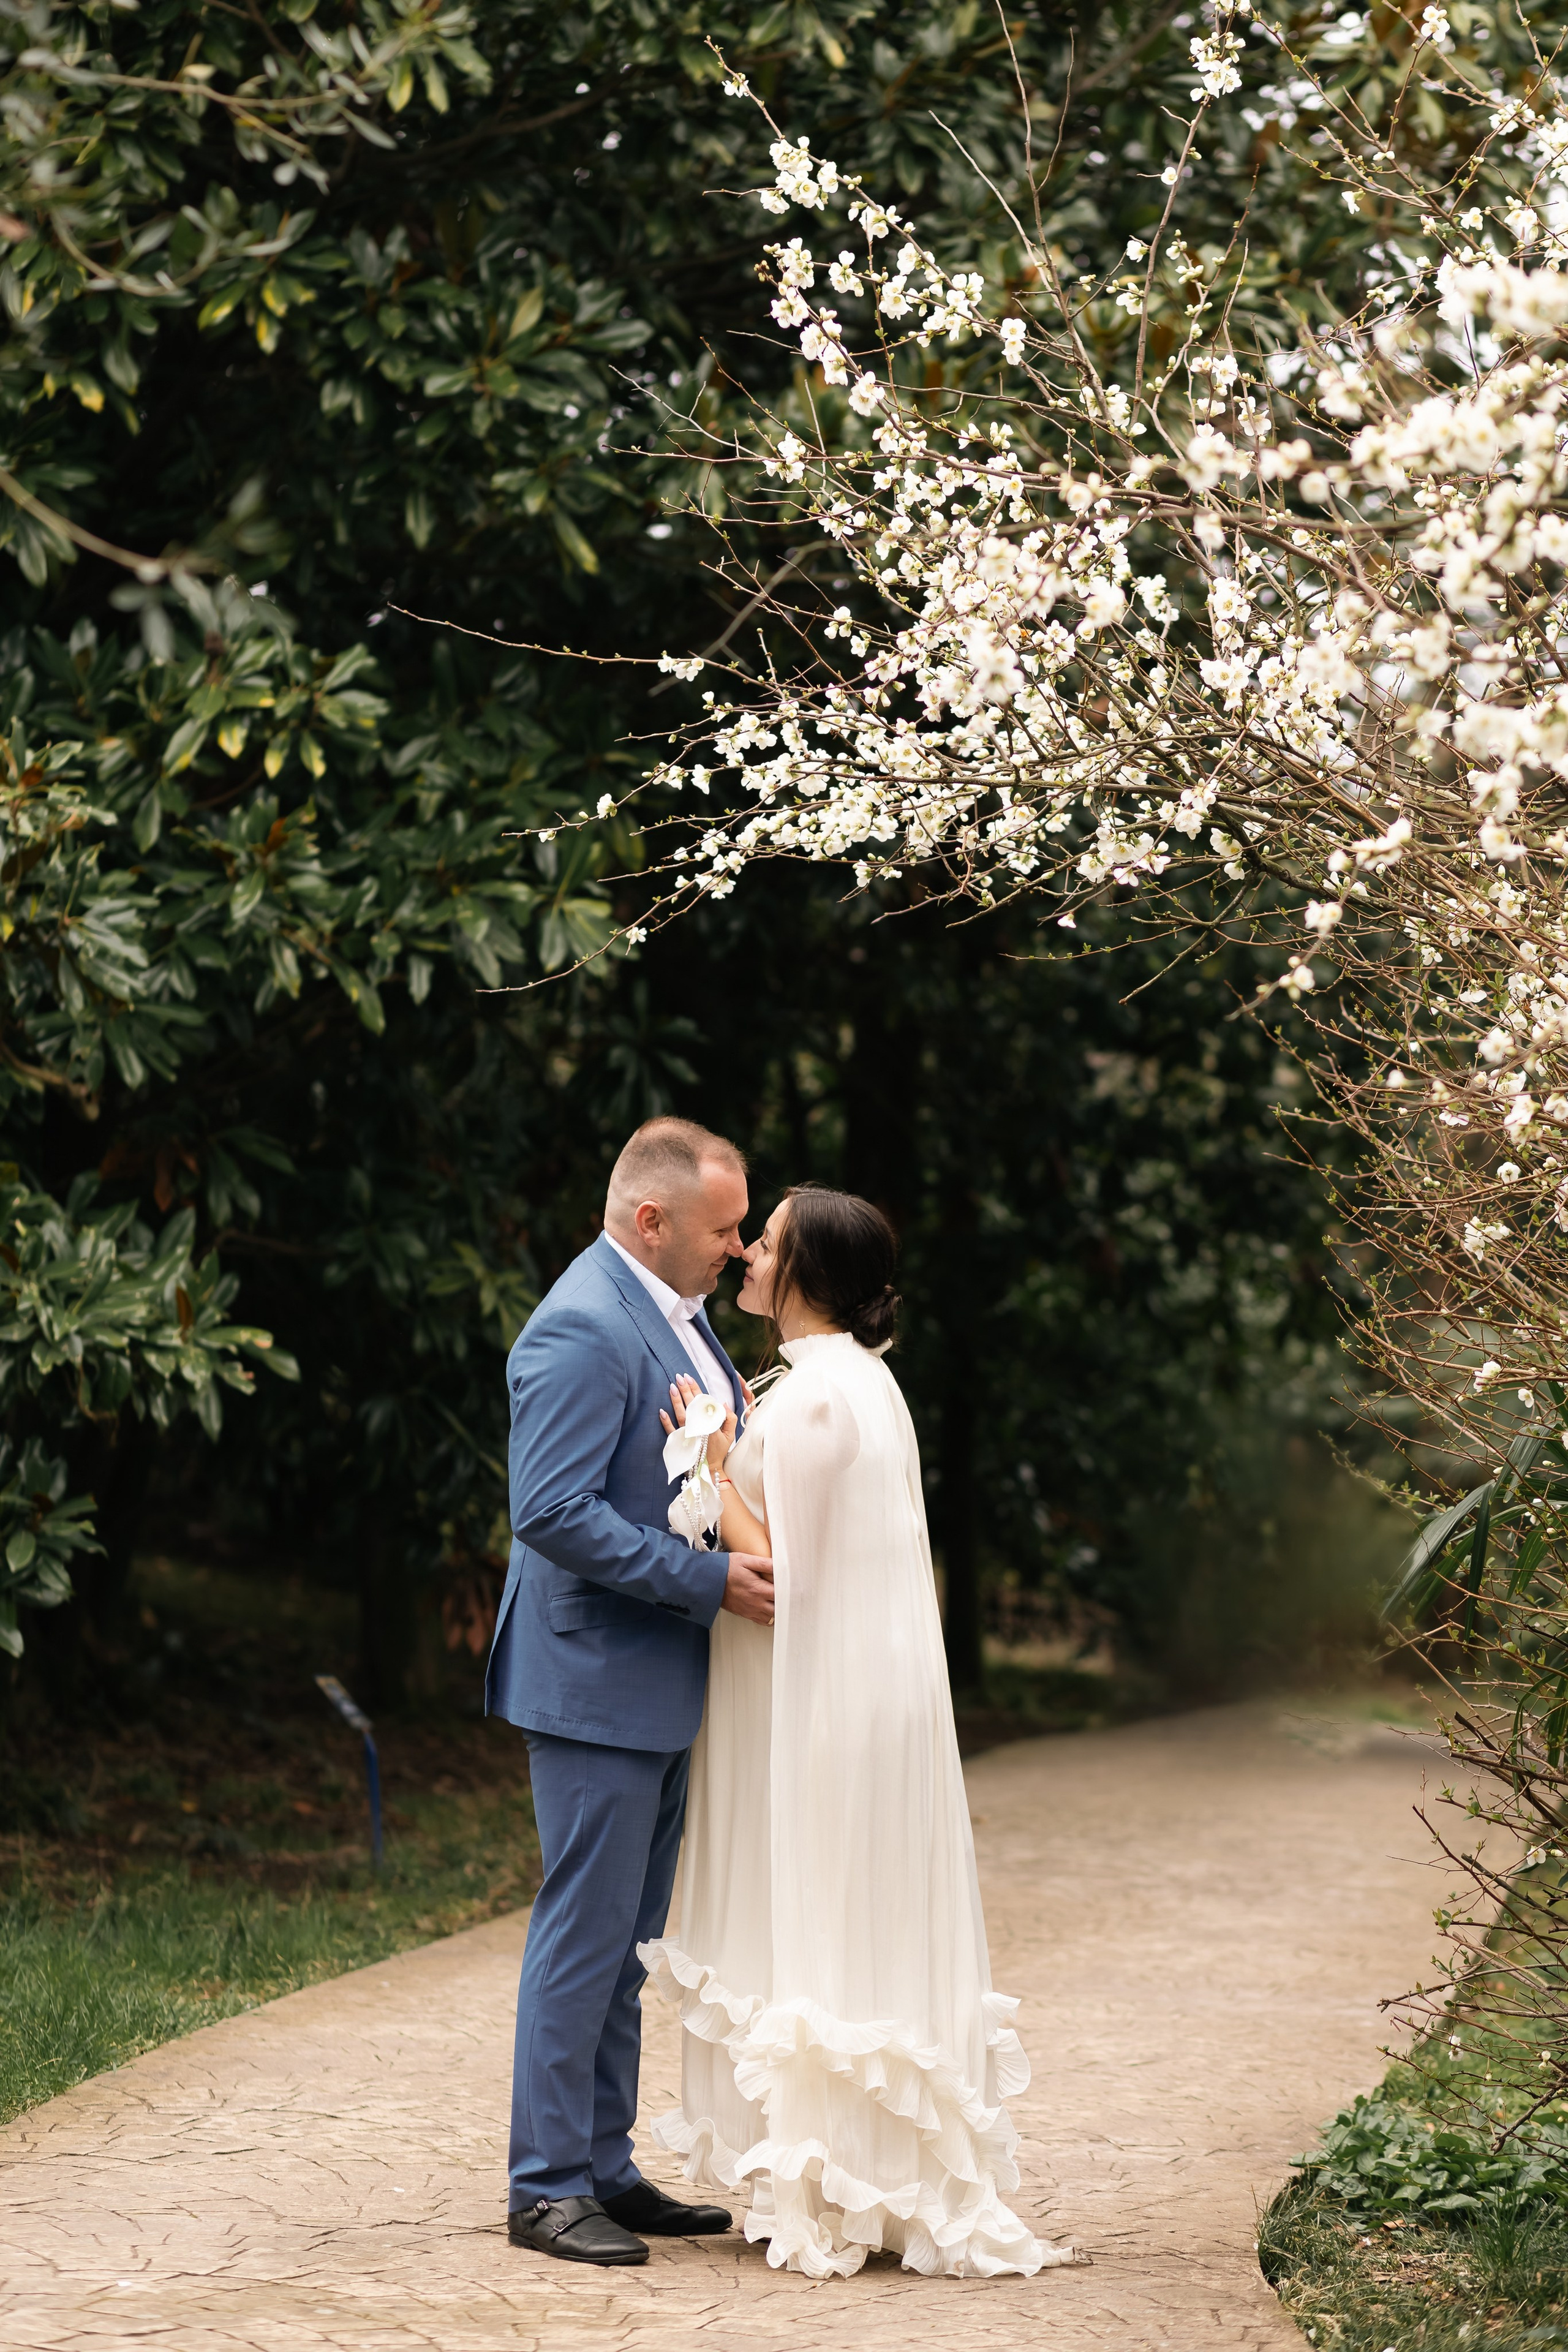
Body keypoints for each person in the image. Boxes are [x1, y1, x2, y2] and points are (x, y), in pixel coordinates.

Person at [641, 1184, 1069, 2279]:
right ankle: (850, 2171)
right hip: (829, 1692)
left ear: (808, 1274)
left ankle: (842, 2181)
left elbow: (782, 1568)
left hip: (823, 1702)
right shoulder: (845, 1383)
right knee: (833, 1914)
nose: (745, 1255)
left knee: (827, 1915)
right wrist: (727, 1446)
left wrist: (700, 1457)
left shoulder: (826, 1397)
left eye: (766, 1244)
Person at [486, 1118, 776, 2269]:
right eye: (723, 1229)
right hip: (595, 1678)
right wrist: (707, 1582)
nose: (742, 1249)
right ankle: (545, 2188)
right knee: (584, 1936)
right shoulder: (580, 1325)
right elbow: (550, 1511)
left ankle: (603, 2165)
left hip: (657, 1676)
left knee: (631, 1947)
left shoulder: (680, 1318)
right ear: (650, 1221)